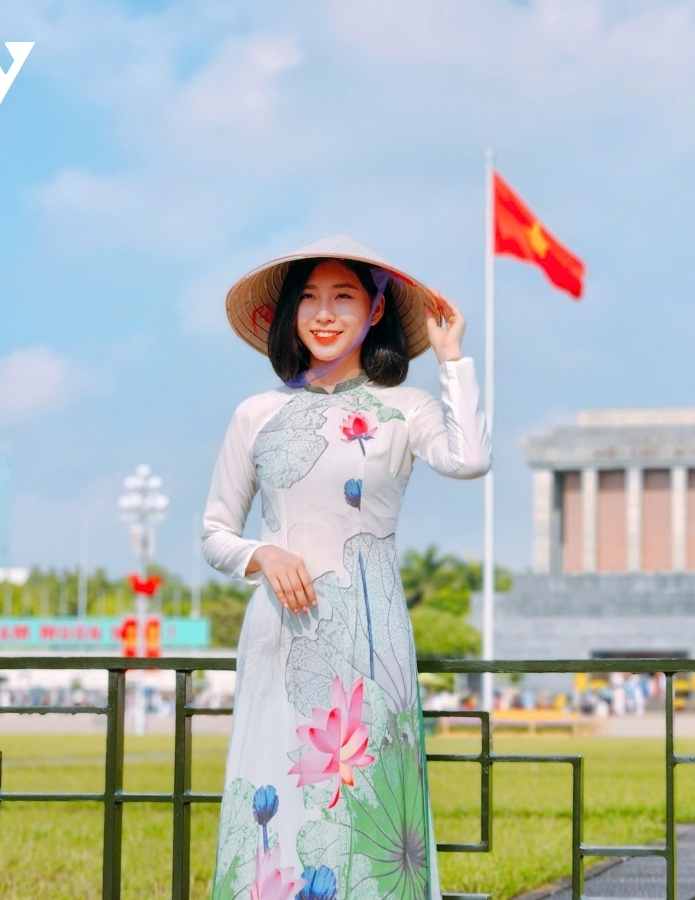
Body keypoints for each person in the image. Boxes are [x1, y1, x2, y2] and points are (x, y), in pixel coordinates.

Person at [203, 236, 490, 900]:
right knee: (273, 793)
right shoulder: (257, 415)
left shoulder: (405, 408)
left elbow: (469, 458)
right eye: (309, 299)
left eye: (344, 297)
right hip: (280, 635)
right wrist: (261, 554)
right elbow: (215, 533)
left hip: (370, 632)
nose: (324, 314)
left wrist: (454, 360)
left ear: (376, 309)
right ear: (287, 316)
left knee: (369, 805)